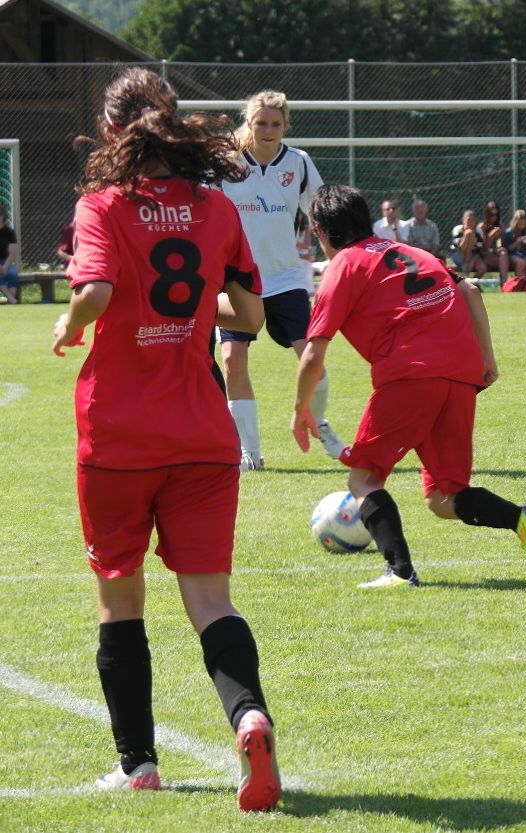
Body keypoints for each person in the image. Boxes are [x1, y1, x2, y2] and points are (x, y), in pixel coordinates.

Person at [51, 68, 281, 812]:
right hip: (203, 433)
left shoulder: (103, 205)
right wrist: (189, 312)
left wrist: (70, 322)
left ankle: (138, 764)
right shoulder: (216, 207)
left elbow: (95, 291)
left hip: (120, 437)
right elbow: (250, 314)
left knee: (120, 601)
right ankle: (249, 716)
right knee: (212, 600)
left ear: (111, 130)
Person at [291, 184, 526, 589]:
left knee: (363, 480)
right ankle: (523, 519)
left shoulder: (344, 265)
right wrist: (487, 359)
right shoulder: (414, 252)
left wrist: (300, 410)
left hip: (410, 374)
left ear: (321, 232)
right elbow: (469, 290)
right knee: (443, 497)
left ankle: (399, 571)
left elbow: (313, 354)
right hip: (461, 374)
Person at [219, 89, 343, 471]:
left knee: (312, 359)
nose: (268, 130)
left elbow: (322, 214)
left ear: (286, 125)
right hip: (237, 280)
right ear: (249, 122)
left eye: (276, 123)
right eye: (261, 123)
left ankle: (318, 422)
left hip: (285, 277)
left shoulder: (299, 163)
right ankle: (250, 454)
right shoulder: (225, 164)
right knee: (232, 358)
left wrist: (338, 261)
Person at [477, 201, 509, 286]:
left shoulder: (501, 226)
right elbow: (483, 249)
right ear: (487, 214)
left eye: (496, 214)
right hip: (482, 257)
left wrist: (499, 247)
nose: (494, 217)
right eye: (491, 214)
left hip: (496, 255)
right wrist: (491, 236)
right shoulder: (481, 226)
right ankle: (504, 283)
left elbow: (501, 244)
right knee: (503, 261)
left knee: (503, 252)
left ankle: (504, 283)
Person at [450, 210, 486, 282]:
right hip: (458, 254)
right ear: (463, 220)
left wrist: (472, 261)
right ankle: (465, 266)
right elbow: (457, 246)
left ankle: (471, 284)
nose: (470, 222)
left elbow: (479, 250)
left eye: (472, 220)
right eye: (468, 220)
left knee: (482, 268)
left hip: (473, 255)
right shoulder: (457, 229)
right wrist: (467, 235)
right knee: (468, 233)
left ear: (475, 221)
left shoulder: (478, 231)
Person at [503, 210, 526, 277]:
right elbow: (508, 249)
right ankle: (519, 282)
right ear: (515, 222)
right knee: (520, 262)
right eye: (519, 223)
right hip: (512, 254)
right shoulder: (509, 232)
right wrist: (517, 242)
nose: (522, 226)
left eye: (523, 223)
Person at [0, 203, 19, 304]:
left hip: (7, 261)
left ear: (1, 216)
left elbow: (12, 253)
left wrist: (5, 266)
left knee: (13, 273)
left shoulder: (9, 232)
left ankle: (10, 301)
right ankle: (11, 299)